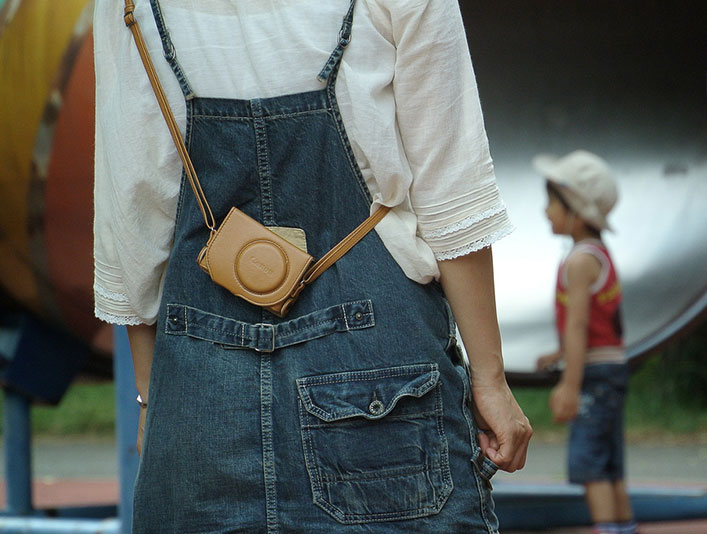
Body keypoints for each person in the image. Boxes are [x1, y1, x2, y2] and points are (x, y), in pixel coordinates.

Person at [93, 0, 532, 532]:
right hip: (377, 358)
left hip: (198, 377)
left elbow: (134, 201)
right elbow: (451, 187)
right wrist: (489, 380)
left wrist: (151, 396)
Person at [534, 151, 637, 534]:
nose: (546, 212)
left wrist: (569, 385)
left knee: (591, 463)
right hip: (610, 366)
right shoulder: (598, 254)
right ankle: (625, 526)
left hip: (593, 374)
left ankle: (606, 528)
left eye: (552, 204)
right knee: (611, 466)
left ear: (576, 211)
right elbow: (597, 323)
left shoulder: (579, 261)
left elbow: (578, 326)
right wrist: (559, 353)